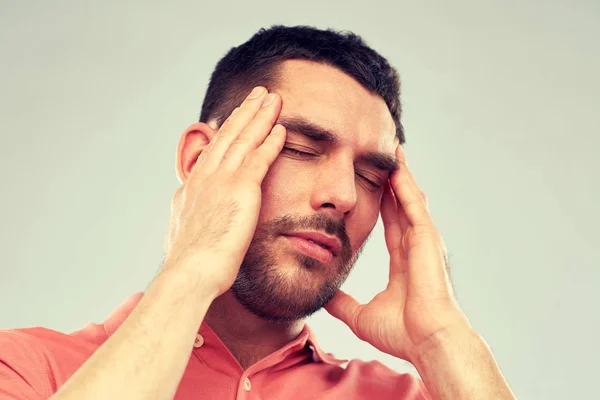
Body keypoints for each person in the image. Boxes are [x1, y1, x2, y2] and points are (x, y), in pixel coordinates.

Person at [0, 25, 516, 400]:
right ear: (201, 160)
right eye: (301, 149)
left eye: (371, 176)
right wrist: (191, 270)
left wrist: (442, 338)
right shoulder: (25, 370)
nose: (344, 196)